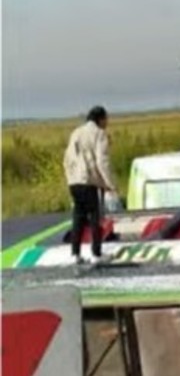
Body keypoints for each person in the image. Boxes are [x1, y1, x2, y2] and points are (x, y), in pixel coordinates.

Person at [63, 105, 116, 264]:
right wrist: (109, 183)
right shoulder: (99, 134)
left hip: (74, 182)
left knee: (78, 217)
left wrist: (70, 179)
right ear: (100, 119)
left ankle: (75, 253)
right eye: (106, 119)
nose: (107, 122)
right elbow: (102, 161)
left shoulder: (76, 133)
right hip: (88, 181)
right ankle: (96, 253)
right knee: (95, 217)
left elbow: (67, 159)